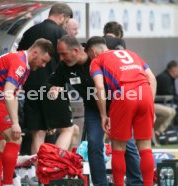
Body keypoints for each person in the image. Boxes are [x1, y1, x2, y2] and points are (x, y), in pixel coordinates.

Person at [50, 35, 139, 185]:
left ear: (76, 50)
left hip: (115, 106)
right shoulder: (64, 66)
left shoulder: (99, 57)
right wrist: (54, 88)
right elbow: (53, 83)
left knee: (127, 144)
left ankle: (136, 182)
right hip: (93, 109)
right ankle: (99, 183)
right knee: (93, 143)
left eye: (63, 53)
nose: (61, 58)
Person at [0, 38, 54, 186]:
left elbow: (14, 94)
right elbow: (9, 93)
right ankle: (10, 183)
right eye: (43, 60)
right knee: (16, 138)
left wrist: (14, 118)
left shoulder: (22, 63)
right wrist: (15, 123)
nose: (43, 66)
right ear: (35, 52)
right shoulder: (20, 63)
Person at [87, 36, 156, 185]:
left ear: (93, 51)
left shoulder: (96, 61)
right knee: (145, 147)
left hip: (124, 94)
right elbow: (152, 78)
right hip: (145, 93)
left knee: (118, 147)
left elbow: (99, 87)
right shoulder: (132, 54)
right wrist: (151, 104)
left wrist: (103, 115)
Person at [17, 3, 74, 155]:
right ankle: (55, 167)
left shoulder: (29, 32)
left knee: (38, 133)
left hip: (31, 87)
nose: (66, 24)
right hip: (53, 87)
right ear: (62, 16)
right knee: (67, 129)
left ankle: (38, 173)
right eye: (66, 21)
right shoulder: (60, 33)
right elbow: (68, 60)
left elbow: (20, 57)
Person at [103, 21, 143, 185]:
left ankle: (121, 180)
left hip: (110, 96)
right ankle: (136, 181)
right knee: (127, 142)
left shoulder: (102, 44)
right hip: (125, 96)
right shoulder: (121, 47)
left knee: (119, 143)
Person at [156, 60, 178, 128]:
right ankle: (177, 128)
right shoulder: (164, 78)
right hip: (161, 101)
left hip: (166, 100)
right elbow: (169, 94)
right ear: (173, 69)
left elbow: (173, 94)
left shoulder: (170, 78)